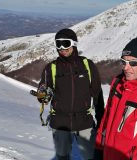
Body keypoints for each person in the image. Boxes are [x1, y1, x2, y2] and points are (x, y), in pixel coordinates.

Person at [38, 28, 104, 160]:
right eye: (58, 44)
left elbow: (97, 94)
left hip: (84, 122)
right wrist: (43, 96)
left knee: (90, 156)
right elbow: (44, 92)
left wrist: (101, 119)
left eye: (66, 43)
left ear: (74, 43)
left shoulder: (87, 66)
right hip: (60, 123)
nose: (62, 48)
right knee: (62, 156)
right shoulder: (51, 68)